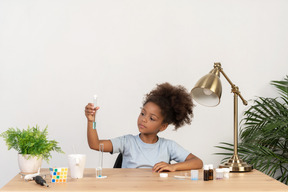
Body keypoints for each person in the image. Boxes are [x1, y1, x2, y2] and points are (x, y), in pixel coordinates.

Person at [85, 82, 203, 172]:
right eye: (142, 113)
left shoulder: (168, 146)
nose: (144, 119)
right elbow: (95, 144)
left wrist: (173, 167)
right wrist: (91, 121)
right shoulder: (127, 142)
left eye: (152, 118)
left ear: (162, 127)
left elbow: (198, 162)